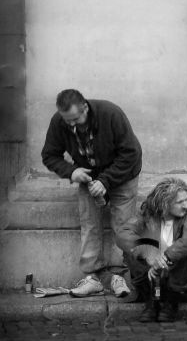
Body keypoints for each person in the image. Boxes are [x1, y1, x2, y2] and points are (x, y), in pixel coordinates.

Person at [41, 89, 142, 298]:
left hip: (123, 176)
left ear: (85, 107)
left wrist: (105, 181)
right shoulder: (60, 122)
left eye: (75, 119)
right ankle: (93, 278)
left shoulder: (111, 114)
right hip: (89, 176)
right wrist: (72, 171)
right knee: (89, 225)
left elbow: (131, 153)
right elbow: (50, 155)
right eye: (67, 120)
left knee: (124, 228)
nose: (71, 125)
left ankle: (123, 276)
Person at [116, 177, 187, 323]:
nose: (185, 205)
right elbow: (123, 234)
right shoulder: (147, 214)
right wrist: (149, 252)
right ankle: (152, 301)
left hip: (183, 284)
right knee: (132, 249)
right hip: (153, 279)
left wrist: (167, 256)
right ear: (165, 203)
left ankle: (170, 302)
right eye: (179, 202)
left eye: (186, 200)